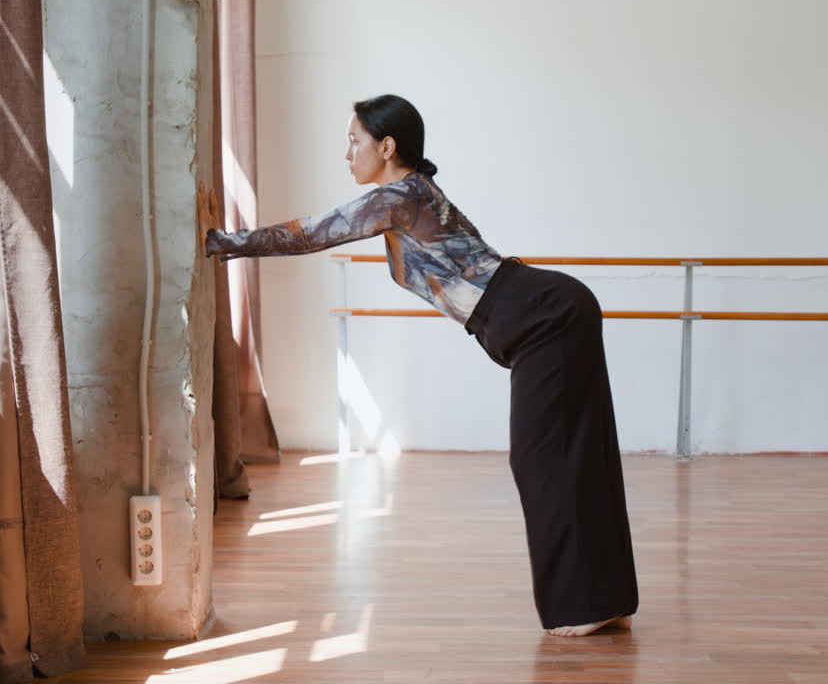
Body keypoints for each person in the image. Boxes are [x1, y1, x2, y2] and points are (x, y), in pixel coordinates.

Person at [205, 94, 638, 637]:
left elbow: (312, 232)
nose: (347, 153)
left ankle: (583, 606)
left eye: (355, 141)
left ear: (387, 147)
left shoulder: (400, 196)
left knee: (542, 457)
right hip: (546, 312)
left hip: (543, 316)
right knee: (573, 452)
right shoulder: (408, 198)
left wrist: (219, 242)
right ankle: (605, 598)